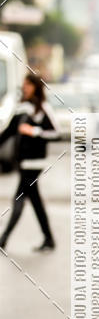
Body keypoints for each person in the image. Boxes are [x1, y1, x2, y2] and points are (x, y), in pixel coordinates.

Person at [0, 73, 59, 252]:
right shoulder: (22, 108)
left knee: (19, 198)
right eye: (23, 84)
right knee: (35, 201)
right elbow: (8, 132)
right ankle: (49, 239)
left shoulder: (42, 109)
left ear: (36, 87)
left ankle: (3, 239)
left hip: (34, 163)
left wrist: (34, 131)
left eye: (28, 84)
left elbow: (55, 133)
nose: (24, 87)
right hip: (23, 162)